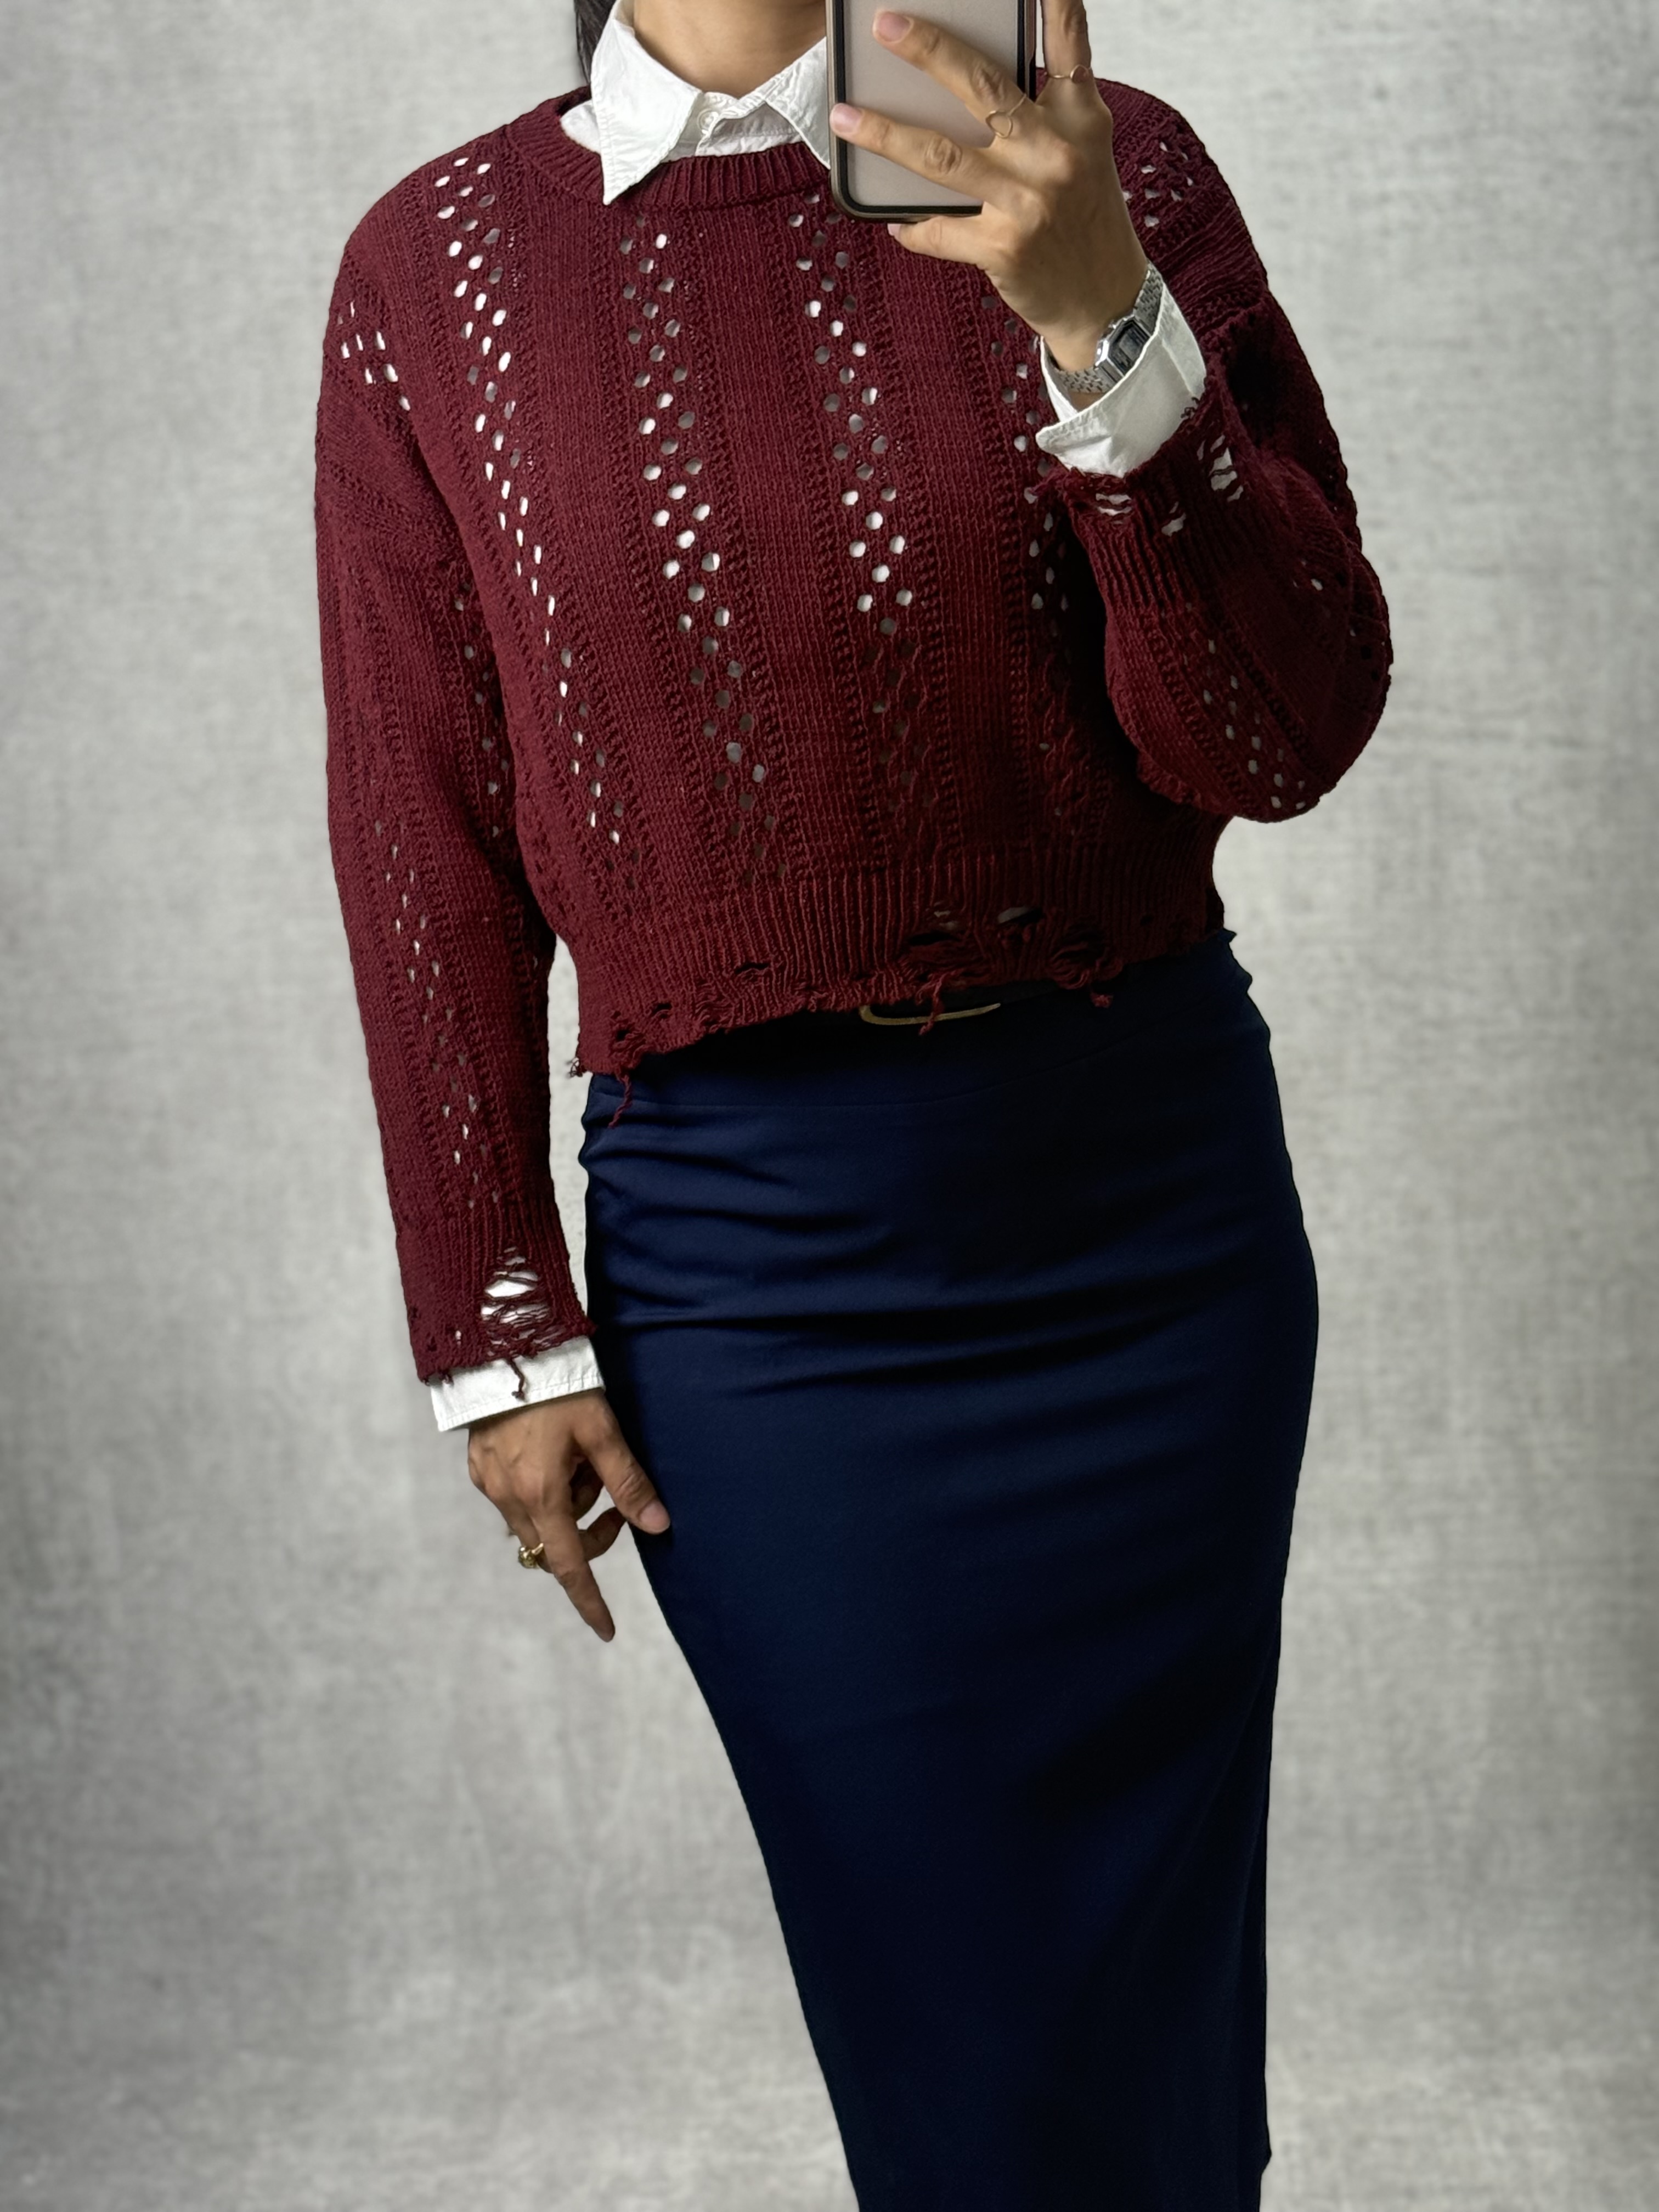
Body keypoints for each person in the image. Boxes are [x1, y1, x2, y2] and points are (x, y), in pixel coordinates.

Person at [312, 0, 1391, 2201]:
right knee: (962, 2055)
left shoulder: (1094, 158)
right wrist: (495, 1318)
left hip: (1149, 1232)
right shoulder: (439, 267)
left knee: (1152, 2025)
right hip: (762, 1281)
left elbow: (1278, 740)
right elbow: (422, 827)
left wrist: (1101, 316)